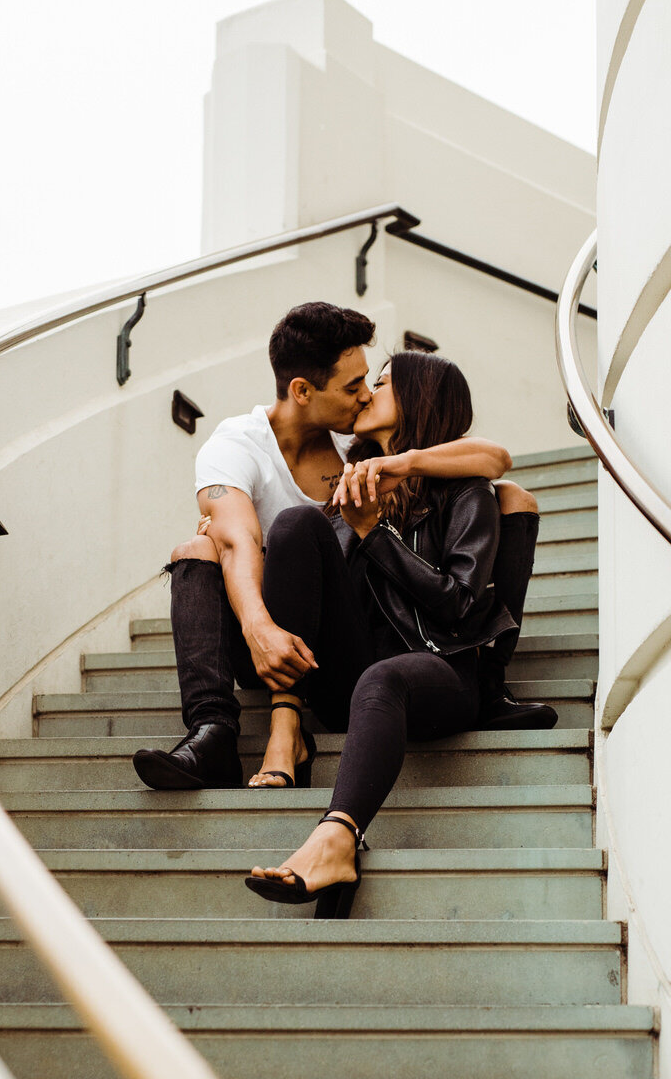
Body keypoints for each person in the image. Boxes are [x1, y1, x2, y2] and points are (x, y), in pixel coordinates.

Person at [132, 300, 553, 794]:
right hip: (265, 634)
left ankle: (487, 679)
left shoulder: (356, 444)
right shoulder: (238, 445)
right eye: (355, 387)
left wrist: (403, 467)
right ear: (303, 391)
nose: (363, 397)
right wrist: (259, 627)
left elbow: (493, 457)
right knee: (199, 548)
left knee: (510, 497)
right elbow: (236, 541)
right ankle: (214, 732)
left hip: (342, 635)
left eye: (373, 384)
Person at [245, 350, 514, 919]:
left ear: (417, 400)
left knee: (383, 677)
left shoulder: (467, 494)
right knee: (296, 524)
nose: (366, 394)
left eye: (383, 384)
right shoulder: (351, 482)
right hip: (353, 675)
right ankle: (286, 719)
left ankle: (339, 839)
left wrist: (375, 534)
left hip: (437, 669)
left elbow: (459, 606)